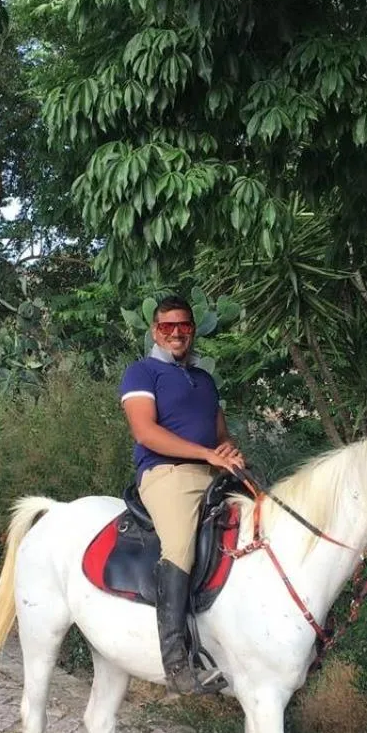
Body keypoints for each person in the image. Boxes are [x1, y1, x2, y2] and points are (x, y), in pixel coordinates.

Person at [119, 295, 245, 694]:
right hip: (166, 474)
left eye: (184, 326)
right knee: (179, 547)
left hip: (213, 473)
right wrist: (206, 453)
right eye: (167, 327)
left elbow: (220, 433)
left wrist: (226, 450)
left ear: (193, 330)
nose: (176, 333)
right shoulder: (141, 372)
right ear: (155, 331)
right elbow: (145, 432)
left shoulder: (206, 381)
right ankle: (176, 663)